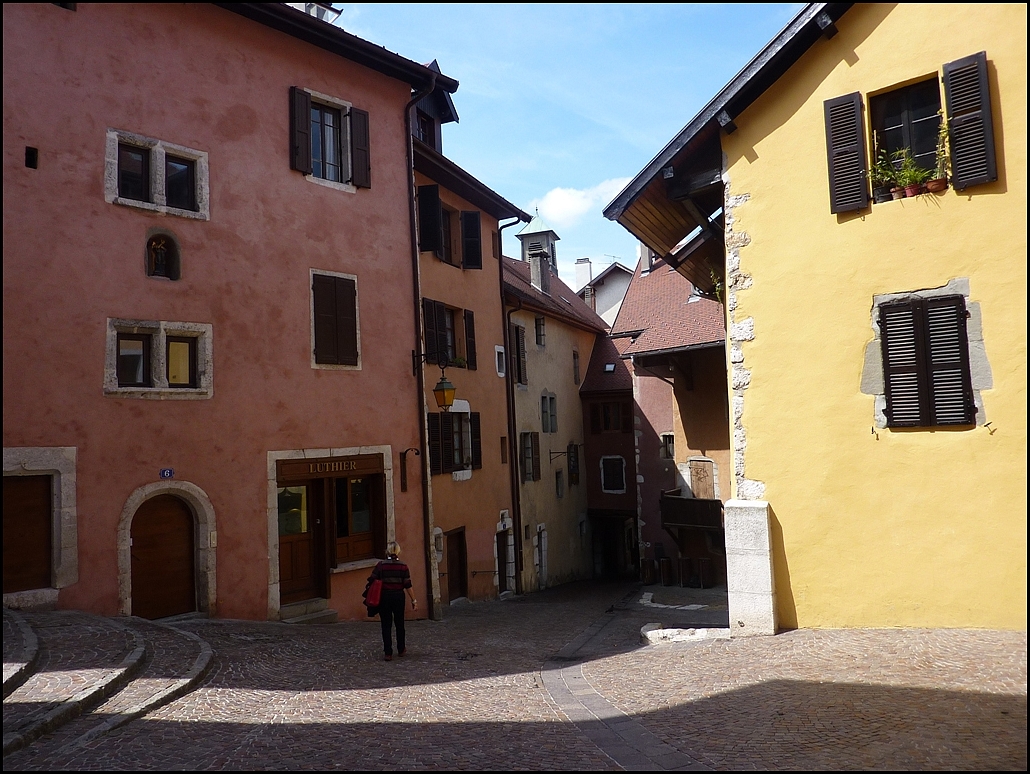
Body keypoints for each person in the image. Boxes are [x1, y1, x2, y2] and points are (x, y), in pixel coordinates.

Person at [368, 541, 417, 661]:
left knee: (386, 624)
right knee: (400, 623)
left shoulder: (381, 565)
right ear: (398, 551)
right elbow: (408, 585)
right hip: (398, 596)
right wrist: (413, 600)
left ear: (387, 551)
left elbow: (372, 579)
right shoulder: (403, 566)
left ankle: (388, 652)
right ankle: (401, 648)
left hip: (384, 597)